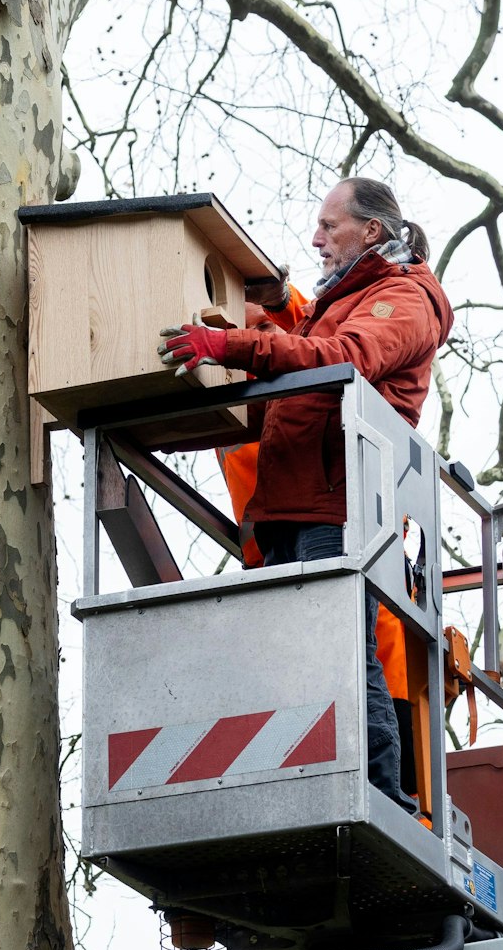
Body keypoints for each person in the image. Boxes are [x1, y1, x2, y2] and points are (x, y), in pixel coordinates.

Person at [159, 177, 454, 812]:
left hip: (338, 503)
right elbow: (280, 411)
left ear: (370, 231)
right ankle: (315, 780)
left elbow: (345, 359)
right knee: (298, 652)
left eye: (329, 226)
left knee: (337, 644)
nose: (317, 239)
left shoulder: (401, 298)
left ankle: (380, 794)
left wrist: (232, 343)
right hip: (294, 505)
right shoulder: (341, 302)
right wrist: (168, 433)